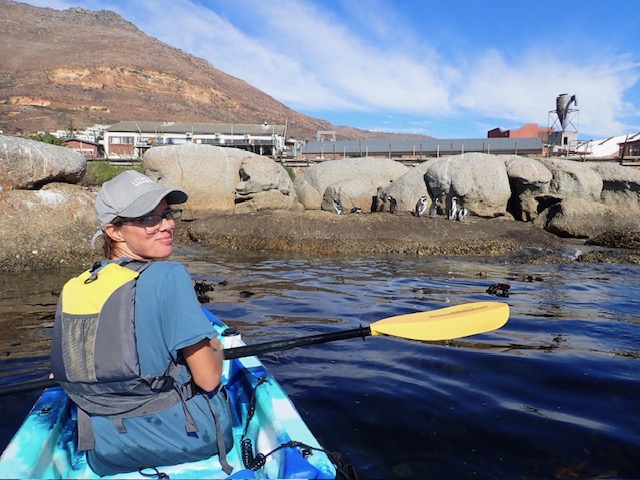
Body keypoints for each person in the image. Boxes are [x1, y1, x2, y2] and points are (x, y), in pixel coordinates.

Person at [50, 170, 233, 476]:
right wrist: (214, 342)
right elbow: (208, 379)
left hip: (106, 450)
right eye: (150, 218)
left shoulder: (75, 286)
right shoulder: (169, 276)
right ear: (115, 231)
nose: (169, 225)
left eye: (167, 214)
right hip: (187, 439)